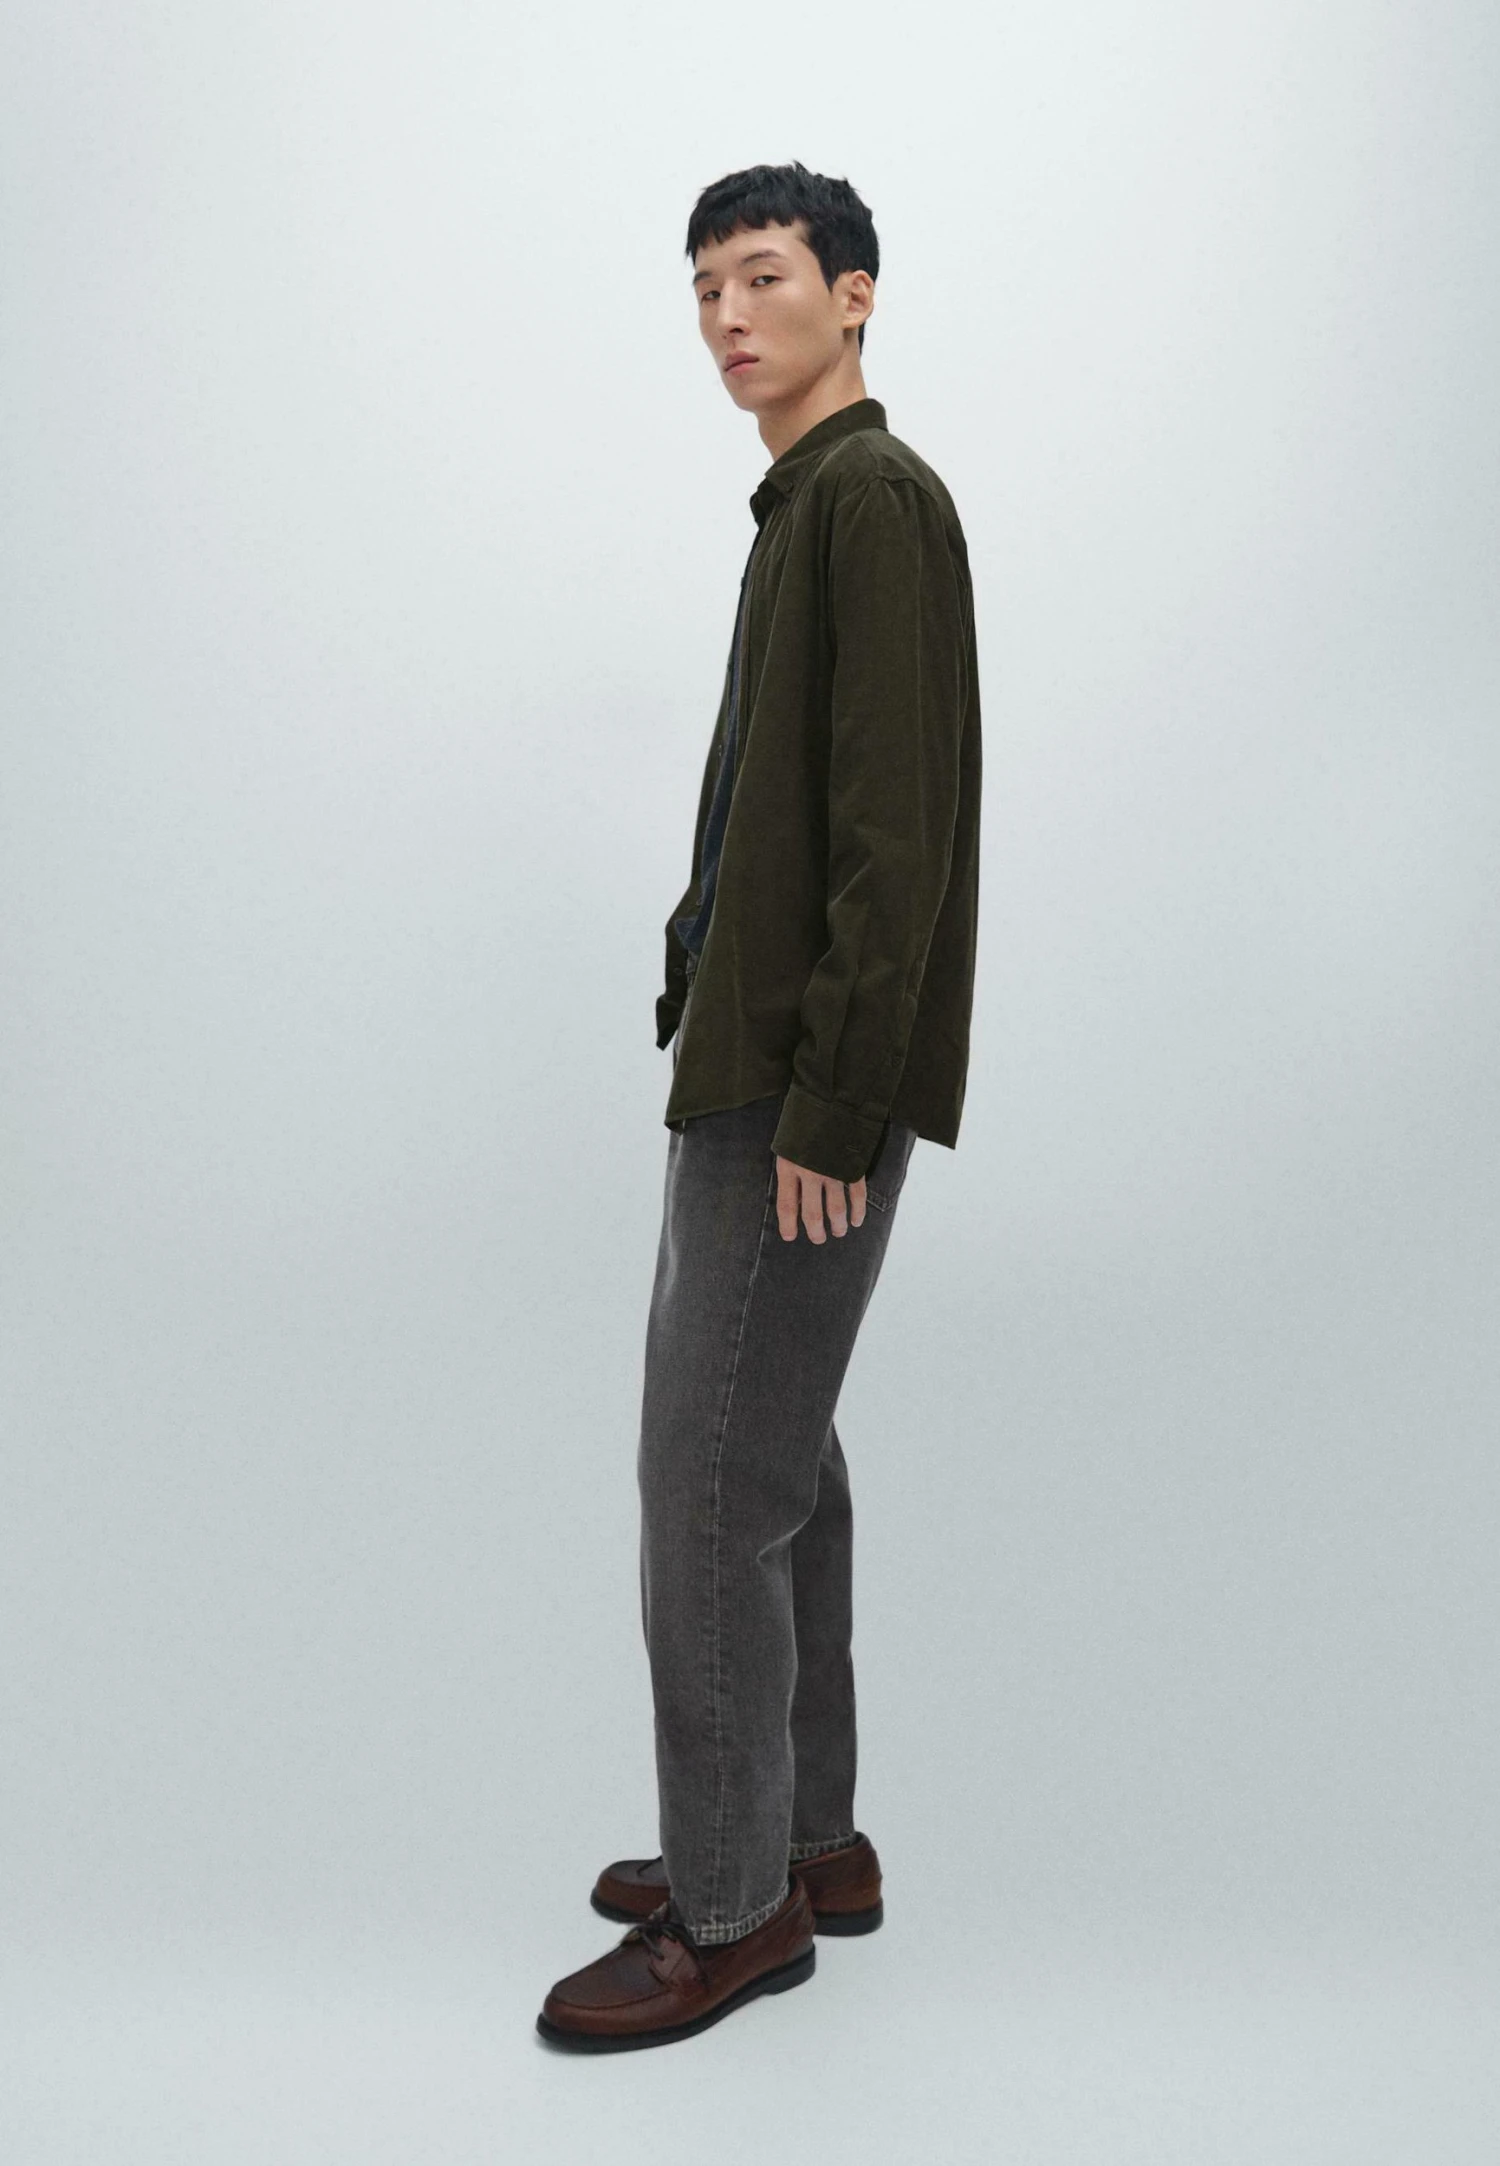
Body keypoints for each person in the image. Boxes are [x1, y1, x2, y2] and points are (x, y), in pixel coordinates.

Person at [537, 160, 982, 2051]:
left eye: (767, 275)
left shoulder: (872, 500)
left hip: (797, 1089)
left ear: (855, 293)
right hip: (756, 1058)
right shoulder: (807, 502)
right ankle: (806, 1838)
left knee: (708, 1481)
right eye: (706, 286)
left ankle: (731, 1911)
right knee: (778, 1460)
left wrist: (832, 1104)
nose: (729, 314)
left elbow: (898, 835)